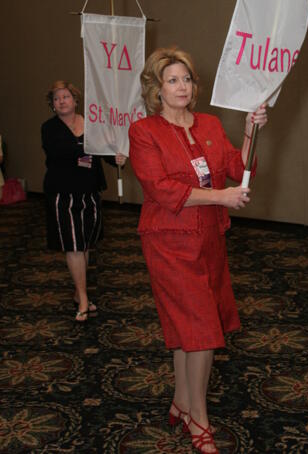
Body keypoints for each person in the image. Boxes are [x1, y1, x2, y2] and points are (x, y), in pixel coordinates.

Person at [128, 47, 267, 453]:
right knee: (202, 330)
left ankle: (182, 400)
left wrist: (249, 131)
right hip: (169, 241)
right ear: (156, 88)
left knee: (186, 328)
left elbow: (234, 167)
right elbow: (161, 188)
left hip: (208, 238)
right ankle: (199, 420)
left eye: (186, 78)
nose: (182, 86)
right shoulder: (144, 131)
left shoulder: (207, 123)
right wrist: (221, 197)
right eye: (172, 80)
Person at [41, 80, 126, 322]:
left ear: (75, 100)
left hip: (89, 192)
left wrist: (117, 157)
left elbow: (105, 151)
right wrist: (90, 145)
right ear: (53, 105)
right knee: (74, 244)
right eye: (57, 99)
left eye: (66, 97)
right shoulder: (49, 128)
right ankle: (83, 297)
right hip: (63, 194)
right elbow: (59, 152)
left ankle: (80, 293)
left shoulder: (92, 124)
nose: (61, 101)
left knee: (86, 243)